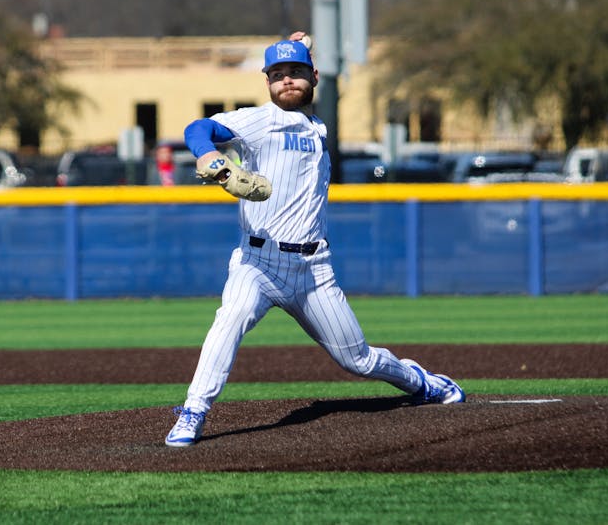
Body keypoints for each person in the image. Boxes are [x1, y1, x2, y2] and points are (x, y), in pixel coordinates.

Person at [165, 33, 465, 448]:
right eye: (277, 75)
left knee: (357, 359)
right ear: (267, 83)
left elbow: (307, 97)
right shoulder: (259, 121)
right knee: (229, 319)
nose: (286, 80)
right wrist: (209, 154)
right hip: (259, 263)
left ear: (314, 76)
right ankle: (193, 411)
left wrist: (298, 46)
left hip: (313, 270)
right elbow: (198, 127)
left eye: (296, 73)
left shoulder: (318, 126)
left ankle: (419, 381)